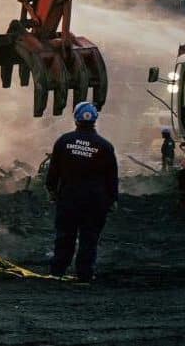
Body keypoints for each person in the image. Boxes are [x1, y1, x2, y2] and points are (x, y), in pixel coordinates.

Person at [45, 101, 119, 282]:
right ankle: (85, 275)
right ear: (95, 120)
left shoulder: (64, 141)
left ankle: (57, 273)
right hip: (95, 202)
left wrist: (51, 190)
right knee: (89, 238)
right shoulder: (105, 146)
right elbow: (112, 176)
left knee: (65, 236)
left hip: (69, 199)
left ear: (76, 118)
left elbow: (53, 171)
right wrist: (113, 199)